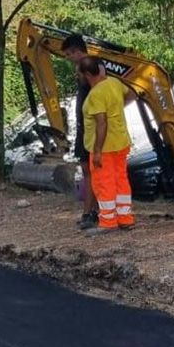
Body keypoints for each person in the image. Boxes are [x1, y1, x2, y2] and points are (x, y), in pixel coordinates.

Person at [79, 55, 135, 233]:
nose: (78, 77)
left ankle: (108, 222)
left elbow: (101, 123)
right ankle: (125, 218)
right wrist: (117, 108)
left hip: (105, 148)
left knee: (104, 183)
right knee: (121, 180)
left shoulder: (95, 94)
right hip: (121, 142)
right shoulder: (114, 83)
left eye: (79, 74)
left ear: (88, 74)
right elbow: (132, 93)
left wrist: (96, 151)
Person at [62, 33, 99, 229]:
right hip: (84, 129)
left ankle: (90, 212)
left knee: (91, 172)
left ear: (77, 51)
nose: (69, 59)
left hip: (90, 130)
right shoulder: (84, 72)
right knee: (87, 170)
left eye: (69, 55)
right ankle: (92, 210)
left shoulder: (91, 70)